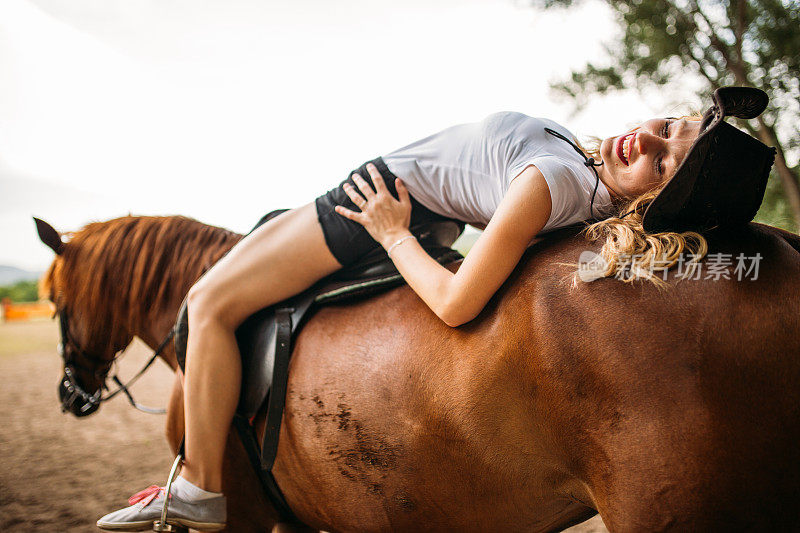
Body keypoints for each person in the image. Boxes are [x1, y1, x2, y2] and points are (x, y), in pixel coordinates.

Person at [96, 104, 717, 531]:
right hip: (416, 205)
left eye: (660, 165)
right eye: (666, 126)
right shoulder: (581, 180)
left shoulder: (553, 182)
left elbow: (455, 304)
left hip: (374, 204)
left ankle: (201, 486)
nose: (648, 141)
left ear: (655, 199)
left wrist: (394, 236)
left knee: (206, 303)